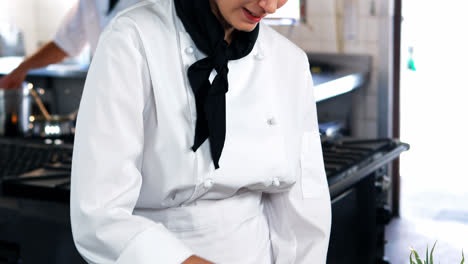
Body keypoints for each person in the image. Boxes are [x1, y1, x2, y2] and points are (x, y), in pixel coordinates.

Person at [70, 0, 332, 263]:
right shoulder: (131, 40)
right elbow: (100, 215)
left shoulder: (289, 61)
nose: (269, 6)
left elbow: (304, 216)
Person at [0, 0, 140, 89]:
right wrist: (22, 69)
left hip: (143, 90)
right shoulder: (89, 2)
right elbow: (64, 43)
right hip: (107, 89)